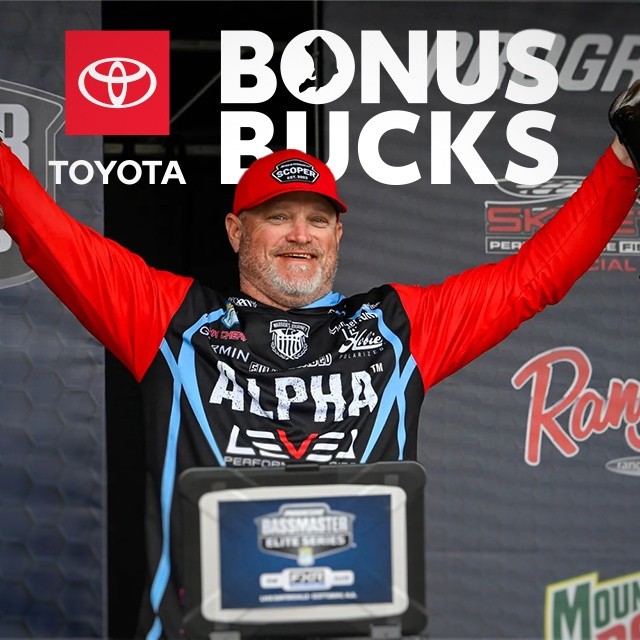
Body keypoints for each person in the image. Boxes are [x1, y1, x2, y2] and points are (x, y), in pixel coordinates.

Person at [1, 85, 639, 640]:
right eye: (277, 216)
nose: (300, 235)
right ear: (235, 231)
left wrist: (625, 161)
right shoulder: (172, 321)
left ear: (338, 235)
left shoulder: (396, 328)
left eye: (318, 219)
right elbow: (45, 234)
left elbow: (536, 277)